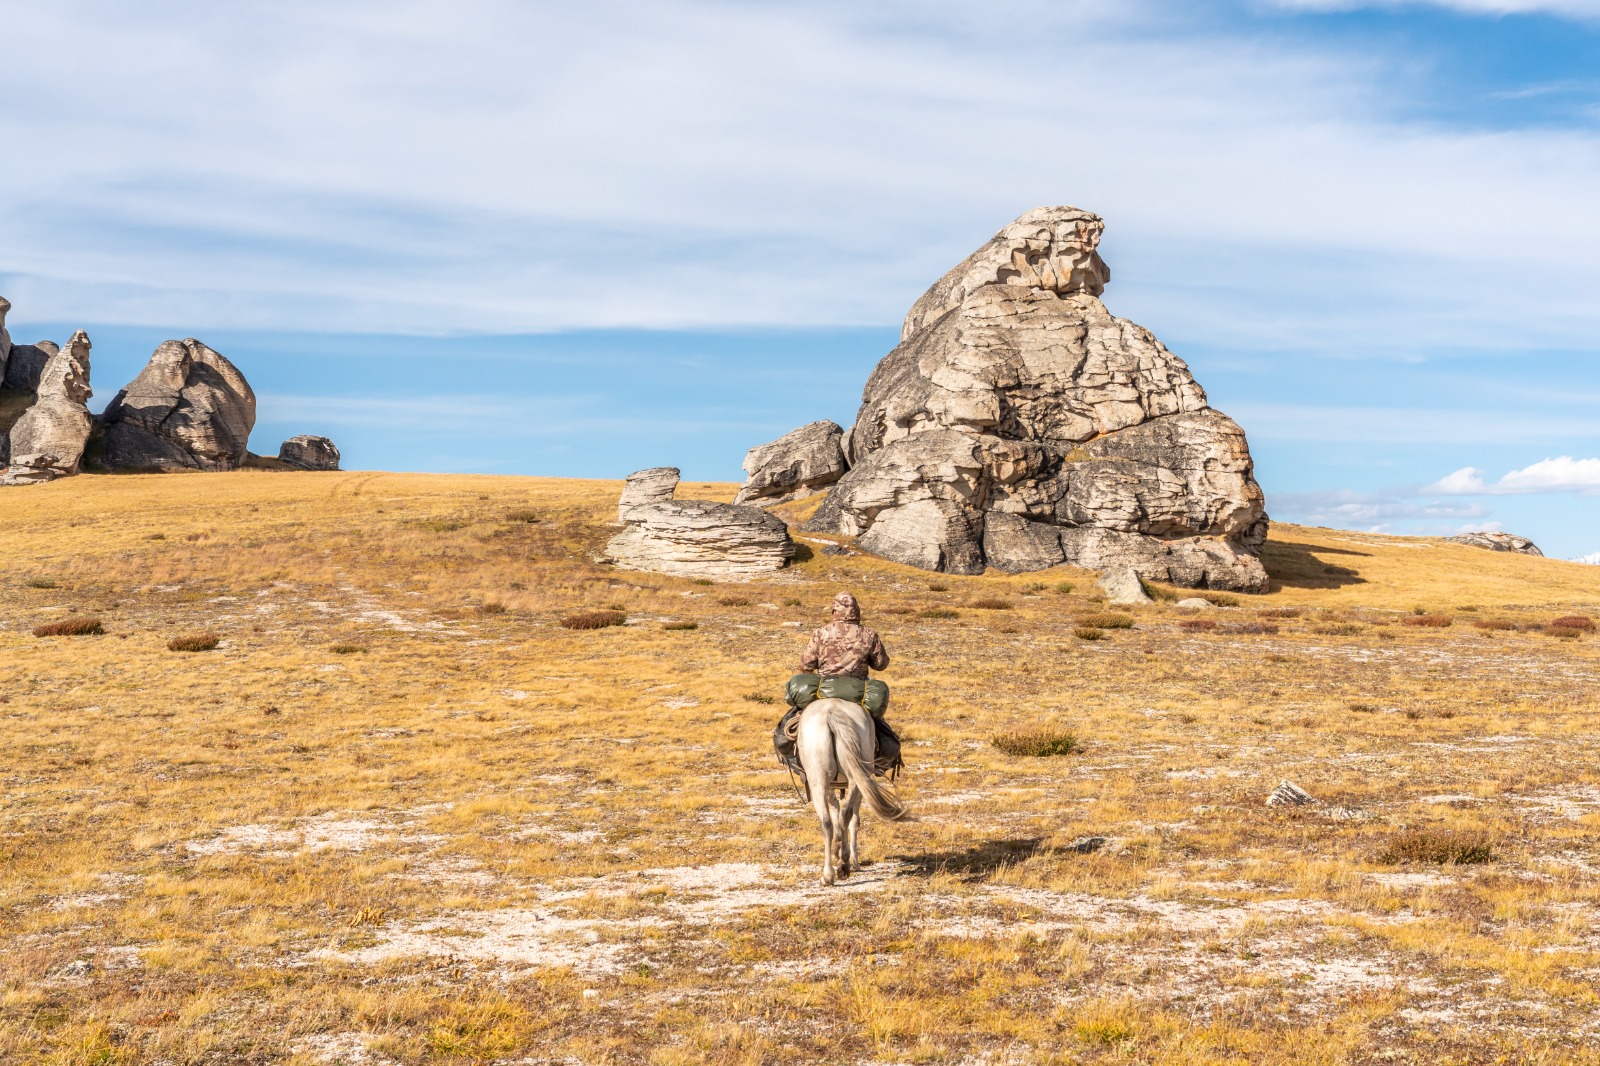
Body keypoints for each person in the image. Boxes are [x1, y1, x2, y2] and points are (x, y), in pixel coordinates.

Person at [774, 591, 902, 777]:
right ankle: (879, 765)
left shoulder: (821, 633)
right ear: (856, 611)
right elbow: (881, 664)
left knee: (784, 732)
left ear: (835, 610)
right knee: (885, 734)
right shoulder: (869, 634)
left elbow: (805, 665)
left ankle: (797, 763)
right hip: (858, 693)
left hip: (823, 691)